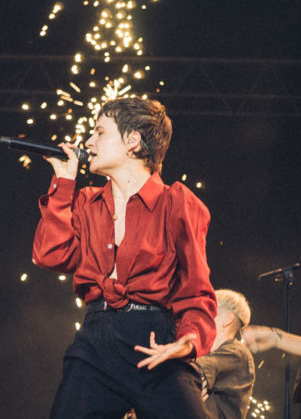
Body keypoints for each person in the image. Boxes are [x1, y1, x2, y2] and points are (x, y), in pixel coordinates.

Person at [32, 97, 217, 418]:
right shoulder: (87, 202)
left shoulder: (176, 202)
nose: (88, 141)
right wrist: (64, 183)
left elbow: (196, 288)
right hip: (95, 344)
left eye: (99, 132)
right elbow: (51, 255)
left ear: (132, 141)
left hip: (153, 342)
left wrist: (187, 341)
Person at [193, 289, 255, 419]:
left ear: (227, 319)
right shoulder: (211, 353)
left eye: (209, 311)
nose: (200, 317)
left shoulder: (237, 353)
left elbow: (197, 369)